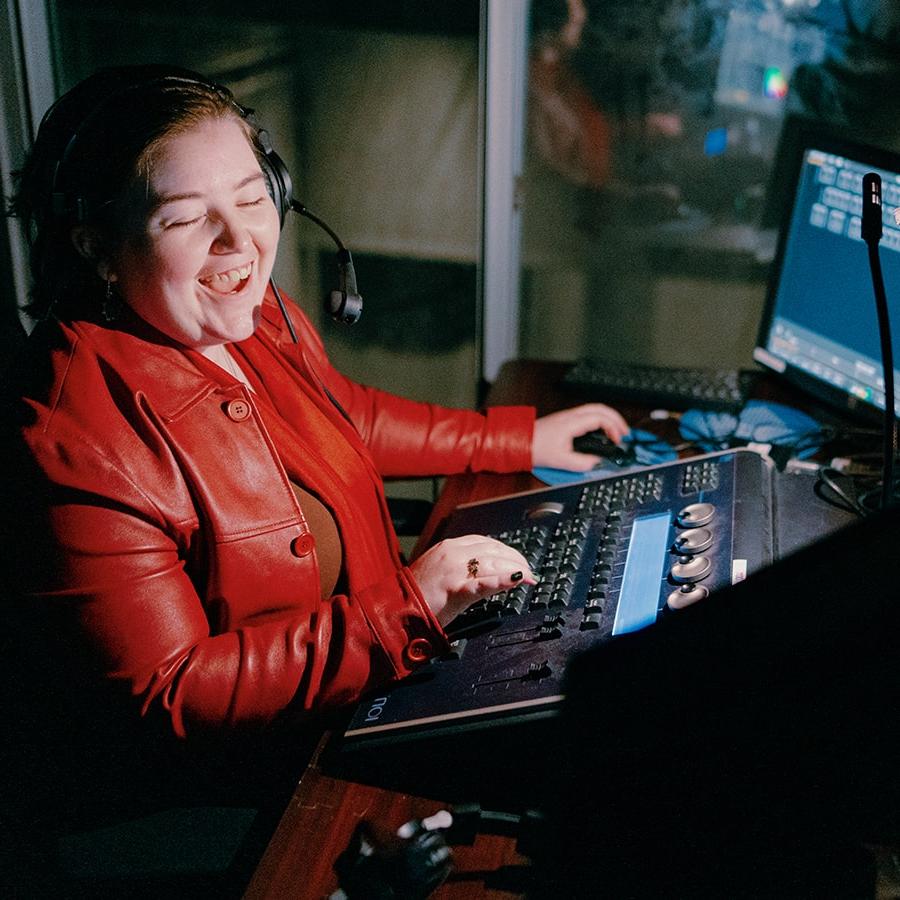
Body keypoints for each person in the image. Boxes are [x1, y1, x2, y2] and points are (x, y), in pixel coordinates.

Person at [0, 65, 628, 886]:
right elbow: (171, 690)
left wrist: (513, 435)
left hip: (361, 686)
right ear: (98, 245)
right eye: (188, 219)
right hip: (245, 786)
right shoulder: (72, 434)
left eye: (253, 198)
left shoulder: (246, 314)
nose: (239, 243)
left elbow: (344, 415)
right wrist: (413, 604)